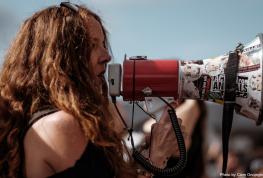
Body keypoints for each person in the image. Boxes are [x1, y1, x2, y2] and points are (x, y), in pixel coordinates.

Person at [0, 2, 184, 178]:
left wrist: (148, 152)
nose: (107, 56)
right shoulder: (62, 125)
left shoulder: (41, 120)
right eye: (91, 45)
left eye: (103, 44)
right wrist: (157, 157)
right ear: (59, 59)